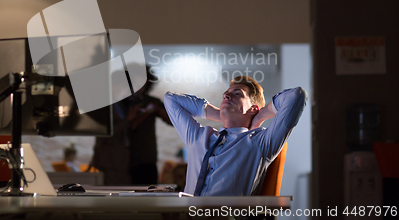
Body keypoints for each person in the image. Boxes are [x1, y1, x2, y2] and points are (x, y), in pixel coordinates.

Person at [163, 75, 307, 196]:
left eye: (237, 94)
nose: (226, 95)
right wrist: (222, 115)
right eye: (226, 93)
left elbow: (296, 96)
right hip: (188, 215)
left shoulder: (260, 142)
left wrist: (259, 117)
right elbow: (170, 99)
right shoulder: (198, 136)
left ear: (253, 108)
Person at [90, 65, 172, 185]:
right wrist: (145, 113)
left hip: (145, 158)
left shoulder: (151, 101)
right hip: (123, 160)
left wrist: (157, 110)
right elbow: (128, 124)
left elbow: (172, 121)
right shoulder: (121, 101)